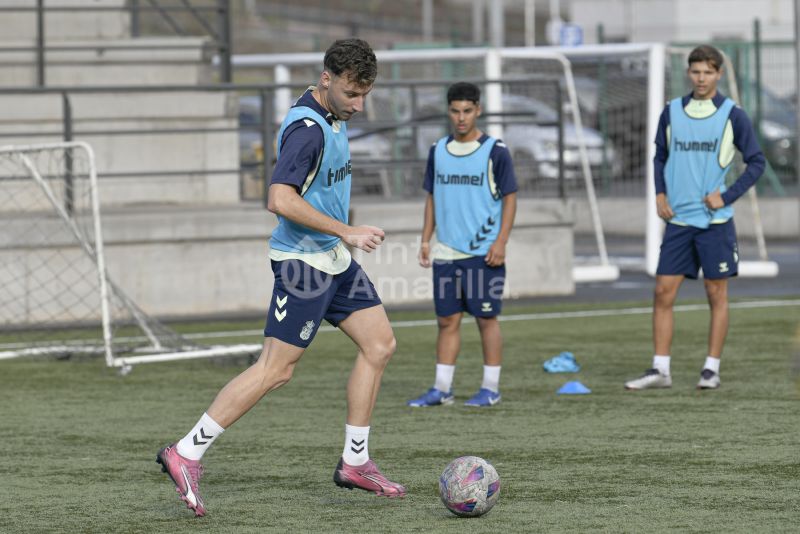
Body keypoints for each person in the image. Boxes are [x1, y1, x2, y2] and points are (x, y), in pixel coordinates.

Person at [156, 39, 406, 517]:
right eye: (352, 94)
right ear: (326, 80)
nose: (359, 105)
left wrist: (341, 239)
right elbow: (279, 199)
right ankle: (186, 452)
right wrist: (348, 230)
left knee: (379, 344)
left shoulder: (328, 111)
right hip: (302, 265)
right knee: (277, 369)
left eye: (365, 95)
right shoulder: (308, 130)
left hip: (331, 258)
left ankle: (355, 462)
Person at [625, 45, 765, 391]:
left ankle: (711, 369)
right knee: (662, 292)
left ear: (718, 74)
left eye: (708, 72)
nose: (701, 78)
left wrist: (727, 196)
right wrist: (659, 194)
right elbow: (659, 157)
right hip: (678, 221)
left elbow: (757, 162)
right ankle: (660, 369)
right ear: (688, 73)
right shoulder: (671, 111)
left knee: (715, 293)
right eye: (696, 71)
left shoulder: (734, 115)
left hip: (715, 224)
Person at [407, 82, 518, 408]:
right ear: (448, 111)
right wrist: (426, 238)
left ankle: (491, 388)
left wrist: (501, 241)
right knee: (447, 321)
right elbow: (432, 197)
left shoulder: (495, 151)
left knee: (486, 319)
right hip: (446, 252)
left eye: (467, 111)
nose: (461, 117)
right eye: (455, 110)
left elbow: (510, 199)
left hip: (484, 253)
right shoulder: (437, 150)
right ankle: (442, 389)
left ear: (478, 111)